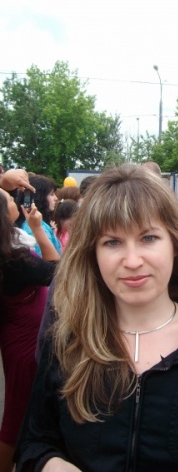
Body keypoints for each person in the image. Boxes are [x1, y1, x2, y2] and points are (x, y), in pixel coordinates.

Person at [15, 164, 178, 471]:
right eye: (112, 242)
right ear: (93, 254)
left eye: (148, 238)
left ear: (176, 244)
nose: (132, 261)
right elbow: (35, 440)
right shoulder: (67, 341)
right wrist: (50, 463)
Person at [0, 189, 60, 472]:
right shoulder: (14, 258)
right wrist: (37, 229)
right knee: (16, 418)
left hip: (16, 339)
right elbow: (56, 271)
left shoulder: (10, 252)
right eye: (10, 199)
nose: (17, 201)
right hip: (25, 345)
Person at [18, 175, 61, 256]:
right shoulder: (32, 228)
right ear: (40, 197)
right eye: (52, 194)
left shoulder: (39, 223)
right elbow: (48, 260)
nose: (56, 198)